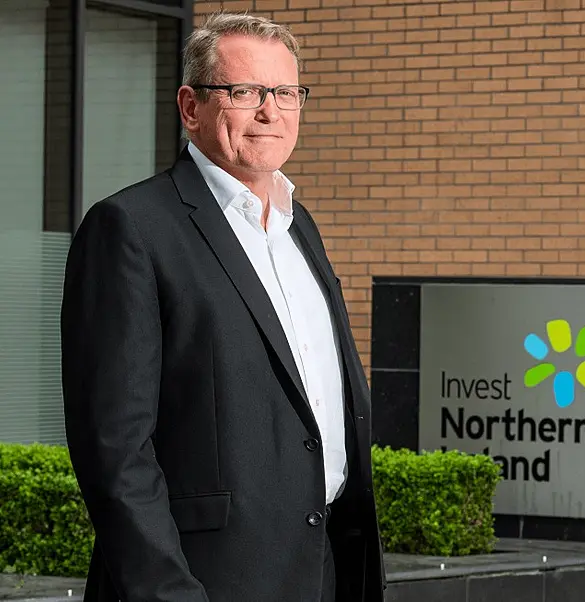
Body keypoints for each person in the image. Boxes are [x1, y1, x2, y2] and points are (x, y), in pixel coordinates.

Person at [61, 13, 385, 602]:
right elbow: (115, 449)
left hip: (323, 571)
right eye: (245, 92)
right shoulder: (131, 228)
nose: (271, 112)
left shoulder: (298, 226)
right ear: (191, 107)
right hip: (207, 582)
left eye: (286, 93)